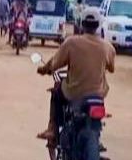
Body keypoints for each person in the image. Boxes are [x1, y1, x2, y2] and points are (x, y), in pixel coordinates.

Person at [35, 10, 115, 144]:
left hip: (74, 92)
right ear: (98, 25)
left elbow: (55, 63)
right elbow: (111, 68)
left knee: (56, 92)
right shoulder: (108, 47)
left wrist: (45, 69)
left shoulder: (71, 42)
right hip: (98, 94)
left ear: (81, 24)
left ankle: (53, 129)